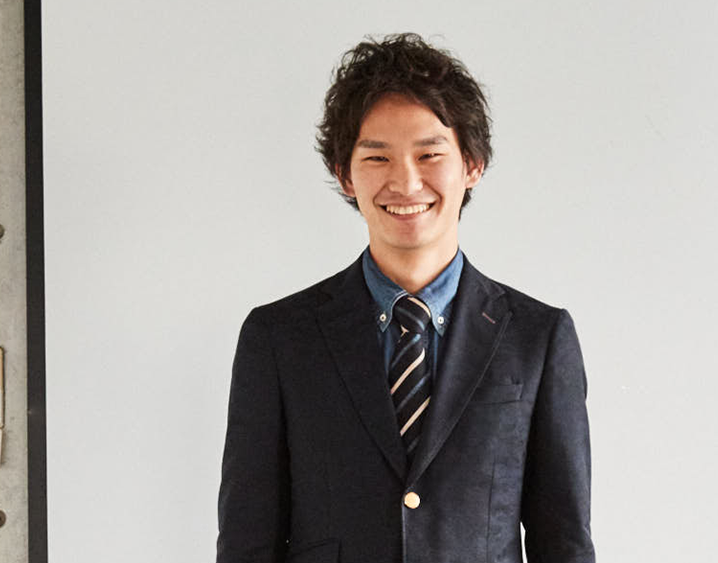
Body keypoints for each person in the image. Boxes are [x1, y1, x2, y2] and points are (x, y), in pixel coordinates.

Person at [217, 33, 594, 563]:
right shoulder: (280, 338)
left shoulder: (537, 338)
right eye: (377, 157)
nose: (406, 181)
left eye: (429, 154)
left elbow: (566, 544)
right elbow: (246, 544)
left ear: (472, 164)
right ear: (345, 175)